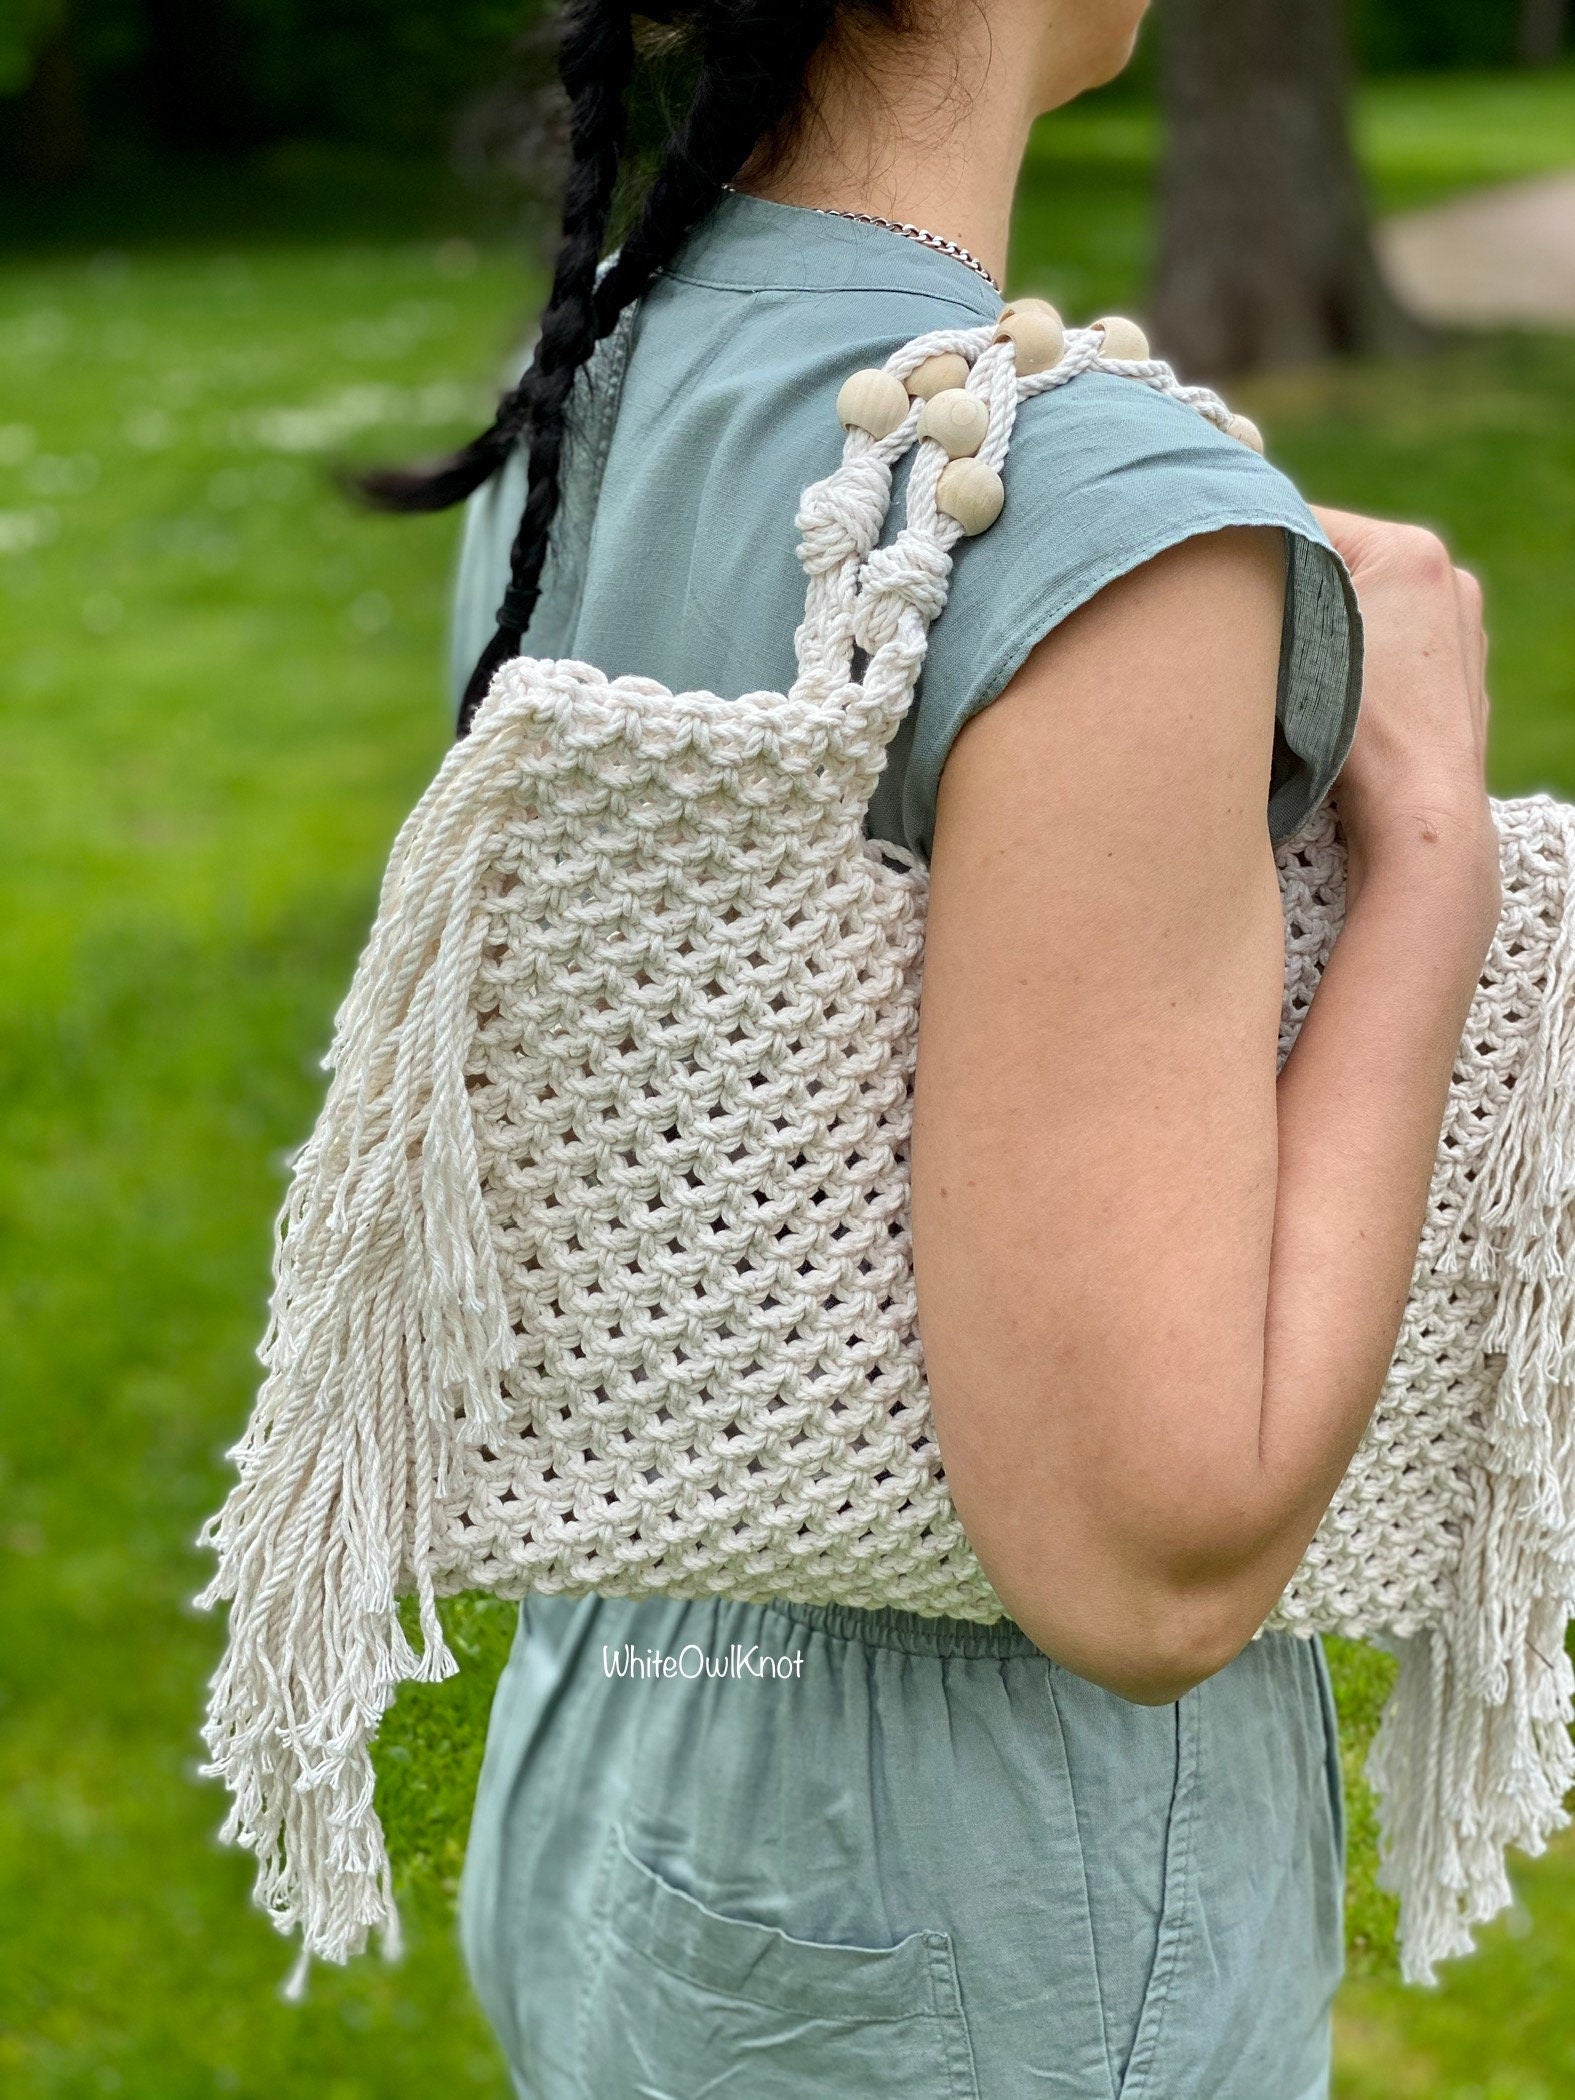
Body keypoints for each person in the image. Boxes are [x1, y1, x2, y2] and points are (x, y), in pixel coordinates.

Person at [373, 0, 1498, 2091]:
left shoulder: (602, 385)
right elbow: (1151, 1560)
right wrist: (1428, 844)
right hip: (979, 1916)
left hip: (624, 1789)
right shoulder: (1091, 520)